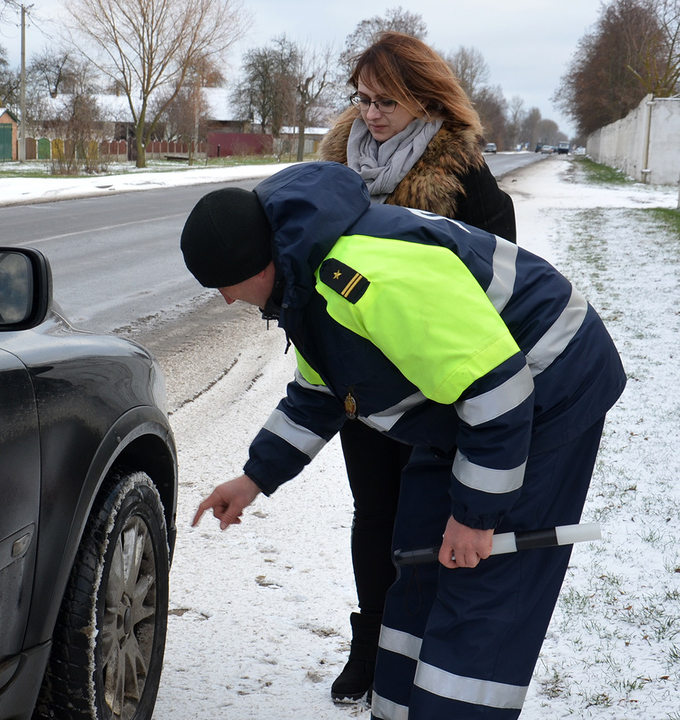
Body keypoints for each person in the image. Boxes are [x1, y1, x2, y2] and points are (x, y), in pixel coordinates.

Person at [180, 161, 625, 720]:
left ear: (256, 264)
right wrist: (254, 478)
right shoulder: (307, 279)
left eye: (223, 285)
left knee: (476, 581)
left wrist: (478, 515)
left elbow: (499, 391)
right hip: (463, 414)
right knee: (416, 563)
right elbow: (321, 393)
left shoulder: (364, 278)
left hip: (547, 387)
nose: (224, 301)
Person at [318, 30, 518, 704]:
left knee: (424, 517)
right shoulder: (333, 170)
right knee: (373, 511)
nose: (370, 115)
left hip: (435, 388)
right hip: (360, 378)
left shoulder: (465, 178)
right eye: (364, 100)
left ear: (425, 101)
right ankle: (370, 640)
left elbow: (497, 288)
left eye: (387, 103)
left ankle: (421, 646)